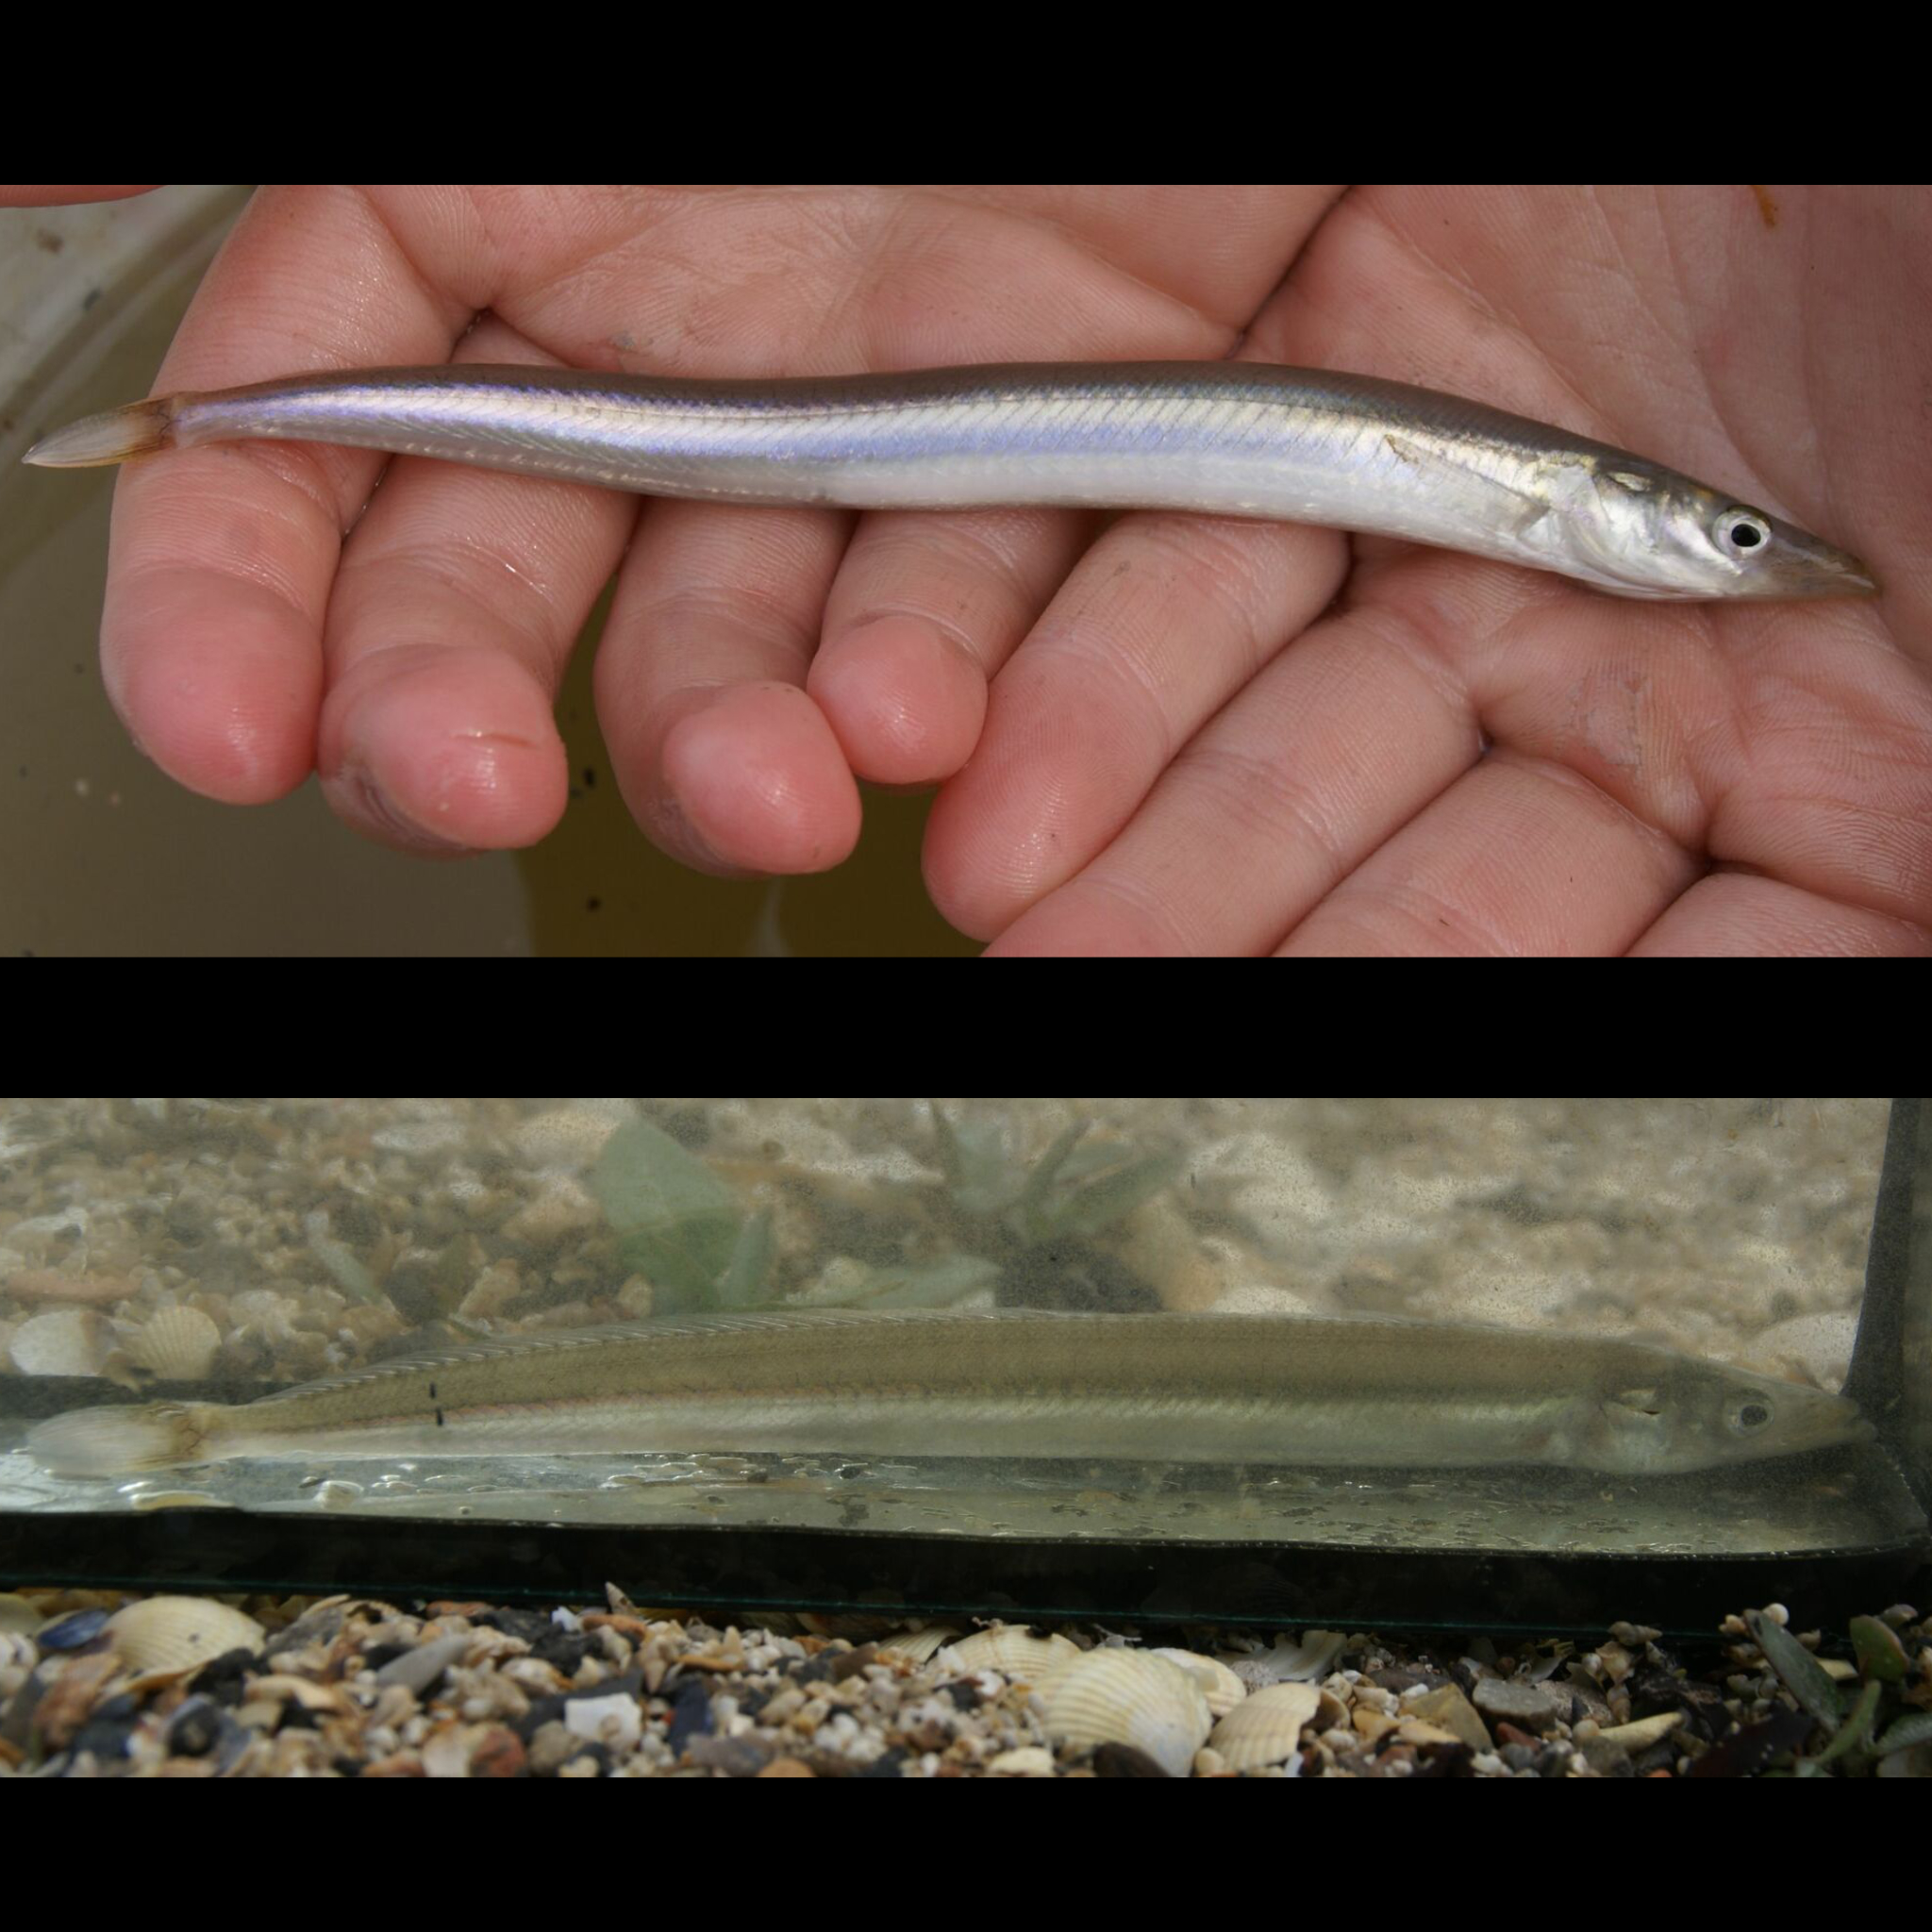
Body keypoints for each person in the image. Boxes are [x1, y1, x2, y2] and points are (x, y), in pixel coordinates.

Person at [7, 184, 1924, 955]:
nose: (1734, 555)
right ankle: (221, 416)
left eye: (1727, 537)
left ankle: (223, 417)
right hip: (797, 442)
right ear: (1599, 499)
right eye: (1722, 537)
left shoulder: (1562, 490)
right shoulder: (1559, 494)